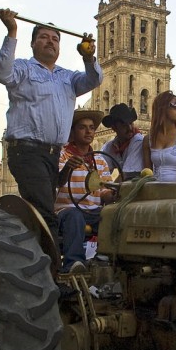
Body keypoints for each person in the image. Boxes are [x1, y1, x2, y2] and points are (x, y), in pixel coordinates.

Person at [0, 9, 100, 233]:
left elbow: (94, 79)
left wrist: (89, 57)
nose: (50, 42)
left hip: (51, 153)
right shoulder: (23, 67)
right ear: (32, 44)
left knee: (42, 207)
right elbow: (2, 73)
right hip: (27, 150)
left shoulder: (67, 76)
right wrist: (12, 31)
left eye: (55, 39)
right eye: (44, 37)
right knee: (45, 212)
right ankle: (51, 266)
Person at [55, 109, 113, 274]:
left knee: (113, 216)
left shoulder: (99, 160)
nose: (89, 131)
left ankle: (106, 259)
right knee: (75, 216)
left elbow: (104, 191)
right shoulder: (62, 156)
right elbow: (56, 182)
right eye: (82, 127)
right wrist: (67, 168)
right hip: (66, 211)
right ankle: (73, 264)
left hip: (92, 211)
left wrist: (114, 194)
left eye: (92, 127)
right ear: (72, 132)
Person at [143, 90, 176, 181]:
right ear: (162, 108)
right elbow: (148, 174)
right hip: (155, 191)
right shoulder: (148, 140)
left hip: (175, 191)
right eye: (174, 105)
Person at [101, 103, 145, 179]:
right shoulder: (110, 146)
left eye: (131, 123)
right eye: (124, 125)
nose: (130, 128)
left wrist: (111, 189)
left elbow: (128, 175)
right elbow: (101, 171)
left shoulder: (138, 141)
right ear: (114, 128)